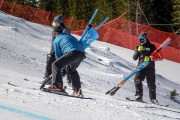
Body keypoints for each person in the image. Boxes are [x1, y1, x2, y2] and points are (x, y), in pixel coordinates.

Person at [47, 25, 86, 96]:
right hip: (81, 54)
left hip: (72, 53)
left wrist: (58, 69)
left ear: (55, 33)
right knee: (71, 69)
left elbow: (58, 56)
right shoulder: (69, 36)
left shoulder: (56, 40)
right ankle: (77, 90)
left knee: (55, 65)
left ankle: (57, 86)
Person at [44, 15, 72, 86]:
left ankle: (67, 80)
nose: (54, 24)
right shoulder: (54, 29)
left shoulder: (65, 30)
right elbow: (53, 41)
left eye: (56, 23)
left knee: (61, 65)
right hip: (55, 49)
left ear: (60, 22)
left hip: (62, 50)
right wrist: (52, 50)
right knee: (50, 61)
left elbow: (65, 40)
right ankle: (48, 77)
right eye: (54, 23)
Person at [133, 32, 158, 104]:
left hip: (150, 67)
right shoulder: (138, 47)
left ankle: (153, 99)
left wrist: (150, 57)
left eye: (142, 39)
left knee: (151, 83)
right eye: (140, 39)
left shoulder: (152, 46)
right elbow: (134, 58)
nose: (141, 41)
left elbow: (156, 56)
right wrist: (138, 51)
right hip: (141, 67)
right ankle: (138, 96)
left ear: (146, 38)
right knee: (137, 80)